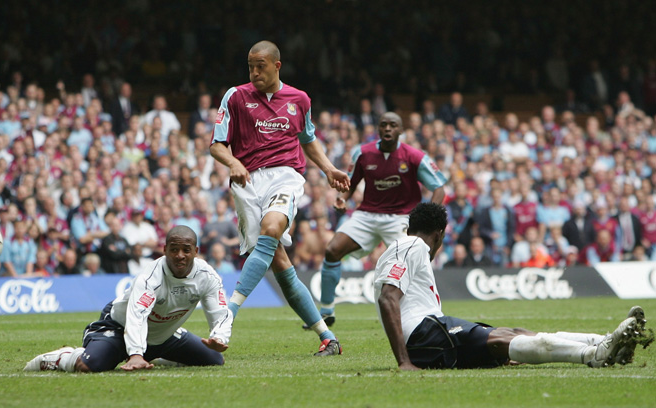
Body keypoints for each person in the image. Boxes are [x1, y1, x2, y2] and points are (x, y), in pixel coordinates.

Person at [375, 202, 647, 371]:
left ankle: (605, 341)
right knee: (503, 340)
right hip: (423, 334)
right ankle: (593, 355)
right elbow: (388, 298)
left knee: (513, 334)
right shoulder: (412, 244)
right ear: (439, 234)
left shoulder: (408, 246)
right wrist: (404, 361)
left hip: (430, 333)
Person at [209, 40, 349, 356]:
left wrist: (328, 169)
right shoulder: (235, 96)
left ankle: (227, 316)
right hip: (246, 182)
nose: (255, 72)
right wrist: (233, 161)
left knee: (273, 228)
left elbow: (308, 140)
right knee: (279, 262)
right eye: (250, 66)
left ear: (276, 65)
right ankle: (328, 338)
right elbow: (217, 144)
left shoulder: (299, 100)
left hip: (285, 176)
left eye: (261, 66)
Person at [24, 226, 232, 372]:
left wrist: (219, 336)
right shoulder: (150, 278)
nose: (180, 255)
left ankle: (156, 355)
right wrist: (135, 354)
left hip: (163, 334)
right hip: (119, 327)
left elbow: (220, 310)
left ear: (196, 251)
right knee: (88, 365)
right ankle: (61, 357)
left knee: (214, 360)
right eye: (174, 249)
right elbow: (136, 317)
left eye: (186, 250)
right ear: (164, 250)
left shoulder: (208, 276)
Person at [312, 112, 446, 328]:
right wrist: (342, 198)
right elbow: (351, 182)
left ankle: (430, 311)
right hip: (367, 215)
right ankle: (326, 310)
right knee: (332, 250)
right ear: (378, 129)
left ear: (400, 130)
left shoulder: (414, 156)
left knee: (416, 259)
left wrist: (428, 216)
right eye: (383, 125)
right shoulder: (362, 153)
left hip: (401, 218)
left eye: (393, 125)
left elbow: (439, 188)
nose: (387, 129)